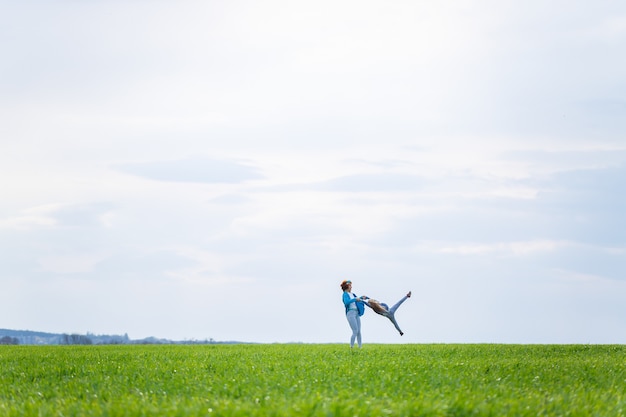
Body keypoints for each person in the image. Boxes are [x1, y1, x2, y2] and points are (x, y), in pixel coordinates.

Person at [340, 280, 365, 348]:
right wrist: (355, 299)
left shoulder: (352, 294)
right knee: (355, 331)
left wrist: (361, 297)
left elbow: (357, 299)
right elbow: (347, 302)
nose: (351, 287)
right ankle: (351, 347)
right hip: (351, 313)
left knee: (359, 331)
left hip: (356, 313)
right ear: (346, 286)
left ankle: (360, 347)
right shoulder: (345, 294)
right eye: (350, 285)